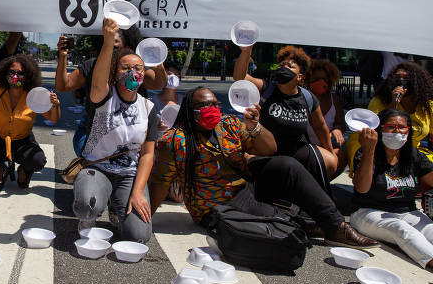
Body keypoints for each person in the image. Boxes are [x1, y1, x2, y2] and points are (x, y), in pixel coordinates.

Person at [150, 86, 378, 248]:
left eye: (214, 104)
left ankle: (336, 226)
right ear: (190, 110)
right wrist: (146, 216)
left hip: (246, 186)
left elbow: (269, 149)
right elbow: (161, 182)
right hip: (217, 205)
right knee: (283, 224)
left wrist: (254, 126)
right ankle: (314, 223)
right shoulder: (174, 140)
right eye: (203, 105)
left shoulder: (229, 124)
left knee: (287, 165)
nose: (211, 109)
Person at [72, 18, 156, 243]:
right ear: (114, 71)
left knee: (138, 237)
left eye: (138, 68)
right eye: (126, 68)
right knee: (85, 205)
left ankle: (119, 207)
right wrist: (108, 41)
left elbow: (147, 154)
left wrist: (137, 192)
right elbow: (99, 81)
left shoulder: (149, 108)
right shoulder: (103, 96)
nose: (133, 72)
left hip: (128, 175)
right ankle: (90, 214)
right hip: (97, 168)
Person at [234, 44, 338, 192]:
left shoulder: (308, 98)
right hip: (265, 149)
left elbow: (320, 126)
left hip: (294, 149)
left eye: (290, 66)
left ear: (300, 76)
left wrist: (331, 152)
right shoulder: (267, 88)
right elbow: (240, 78)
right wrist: (246, 52)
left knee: (331, 162)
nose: (283, 68)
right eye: (281, 65)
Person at [56, 31, 167, 155]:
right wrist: (62, 56)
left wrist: (158, 63)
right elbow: (63, 86)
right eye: (106, 44)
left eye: (114, 46)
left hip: (132, 129)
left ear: (128, 48)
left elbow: (158, 83)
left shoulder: (135, 68)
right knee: (91, 158)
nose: (109, 49)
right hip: (93, 129)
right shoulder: (93, 65)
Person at [350, 110, 433, 269]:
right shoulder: (367, 153)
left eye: (402, 128)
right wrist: (369, 150)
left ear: (409, 131)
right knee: (401, 229)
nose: (397, 131)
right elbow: (361, 188)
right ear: (380, 130)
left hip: (408, 212)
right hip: (367, 212)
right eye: (391, 127)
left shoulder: (413, 155)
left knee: (430, 229)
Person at [0, 54, 58, 188]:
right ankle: (0, 169)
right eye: (12, 72)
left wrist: (55, 104)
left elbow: (54, 118)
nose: (16, 76)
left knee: (37, 159)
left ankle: (24, 171)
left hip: (23, 142)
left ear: (28, 76)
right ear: (5, 73)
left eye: (21, 73)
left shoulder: (35, 96)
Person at [346, 62, 433, 169]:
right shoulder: (380, 101)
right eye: (397, 77)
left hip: (410, 151)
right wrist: (393, 103)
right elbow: (376, 129)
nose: (401, 81)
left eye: (406, 78)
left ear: (417, 82)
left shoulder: (426, 106)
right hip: (378, 148)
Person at [305, 59, 346, 164]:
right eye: (316, 78)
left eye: (324, 79)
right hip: (306, 148)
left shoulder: (334, 100)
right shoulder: (302, 98)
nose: (321, 82)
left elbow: (340, 123)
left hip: (328, 147)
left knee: (341, 155)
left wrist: (337, 129)